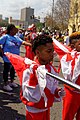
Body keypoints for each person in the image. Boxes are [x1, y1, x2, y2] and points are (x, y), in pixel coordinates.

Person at [20, 34, 65, 120]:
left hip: (45, 108)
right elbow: (30, 95)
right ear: (37, 52)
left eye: (52, 51)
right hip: (34, 110)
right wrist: (34, 76)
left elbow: (51, 87)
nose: (52, 54)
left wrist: (57, 92)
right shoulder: (30, 69)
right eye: (48, 51)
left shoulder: (50, 68)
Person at [0, 24, 31, 91]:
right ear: (11, 30)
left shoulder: (16, 37)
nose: (16, 30)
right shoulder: (5, 37)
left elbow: (23, 42)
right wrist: (1, 51)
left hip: (15, 58)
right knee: (6, 70)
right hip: (7, 58)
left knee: (13, 70)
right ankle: (5, 84)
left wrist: (31, 45)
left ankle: (11, 82)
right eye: (14, 29)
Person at [61, 31, 80, 120]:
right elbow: (70, 77)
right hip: (72, 93)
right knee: (68, 116)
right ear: (73, 46)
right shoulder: (67, 58)